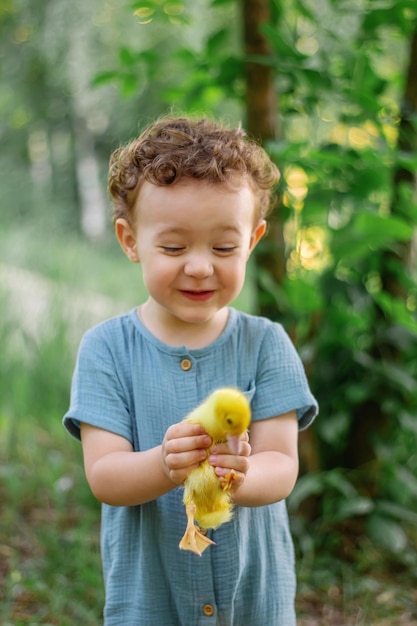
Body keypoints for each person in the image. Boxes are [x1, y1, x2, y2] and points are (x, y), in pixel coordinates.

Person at [63, 115, 318, 626]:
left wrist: (237, 477)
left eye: (223, 247)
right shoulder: (106, 350)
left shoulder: (266, 344)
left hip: (253, 602)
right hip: (152, 601)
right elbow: (105, 475)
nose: (200, 266)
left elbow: (282, 465)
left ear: (252, 240)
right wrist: (164, 465)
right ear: (130, 240)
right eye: (174, 247)